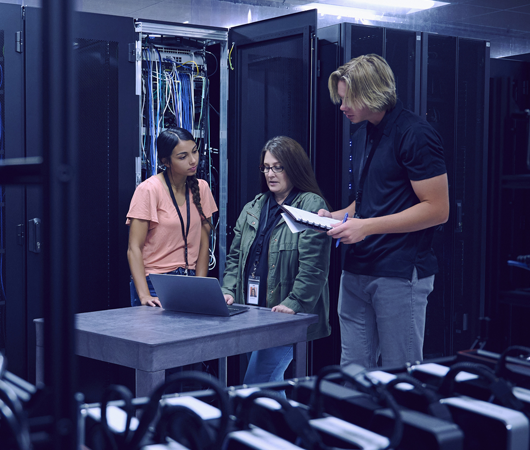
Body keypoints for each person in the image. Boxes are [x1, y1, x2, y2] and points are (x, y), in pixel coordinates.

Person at [319, 54, 449, 370]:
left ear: (372, 93)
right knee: (353, 370)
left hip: (399, 271)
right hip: (357, 268)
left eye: (347, 98)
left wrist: (366, 227)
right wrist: (333, 216)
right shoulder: (362, 134)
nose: (342, 106)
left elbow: (437, 210)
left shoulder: (415, 133)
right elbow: (363, 205)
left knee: (400, 372)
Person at [221, 136, 331, 385]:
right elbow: (235, 257)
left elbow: (314, 266)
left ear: (293, 167)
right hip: (250, 311)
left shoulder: (310, 205)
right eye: (266, 167)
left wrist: (295, 302)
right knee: (268, 386)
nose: (270, 173)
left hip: (283, 314)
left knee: (258, 381)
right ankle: (278, 424)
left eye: (278, 167)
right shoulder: (254, 206)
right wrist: (228, 289)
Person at [127, 127, 217, 307]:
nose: (193, 161)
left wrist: (199, 286)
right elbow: (134, 248)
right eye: (182, 157)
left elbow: (203, 244)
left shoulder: (202, 188)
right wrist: (144, 295)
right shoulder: (149, 190)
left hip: (190, 280)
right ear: (166, 161)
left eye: (194, 151)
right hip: (156, 283)